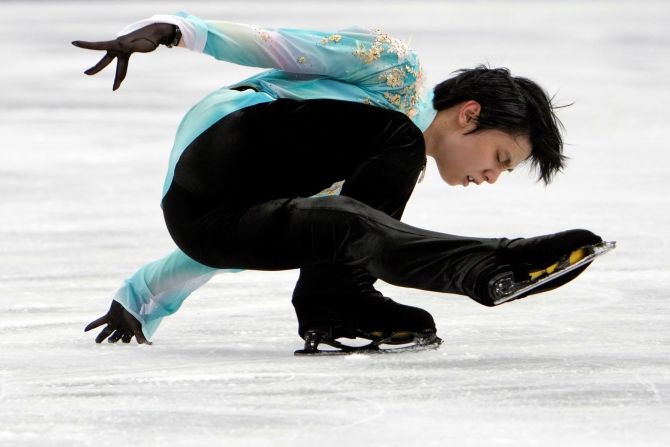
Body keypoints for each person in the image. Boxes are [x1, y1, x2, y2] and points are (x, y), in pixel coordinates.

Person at [73, 13, 604, 350]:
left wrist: (140, 298)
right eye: (501, 158)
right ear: (469, 113)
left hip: (205, 221)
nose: (490, 177)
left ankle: (470, 272)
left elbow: (224, 239)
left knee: (347, 227)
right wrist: (176, 31)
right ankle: (347, 289)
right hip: (228, 143)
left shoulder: (381, 174)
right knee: (396, 140)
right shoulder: (396, 72)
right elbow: (278, 46)